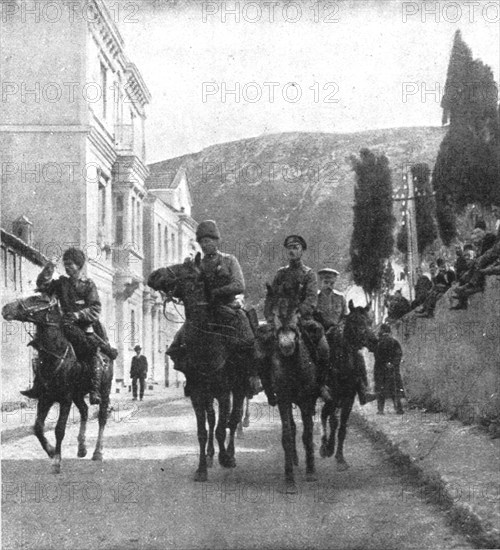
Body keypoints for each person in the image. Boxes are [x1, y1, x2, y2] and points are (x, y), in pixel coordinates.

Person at [167, 220, 260, 398]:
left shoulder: (229, 260)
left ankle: (251, 378)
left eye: (208, 241)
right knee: (178, 342)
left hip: (227, 307)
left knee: (248, 338)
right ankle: (191, 378)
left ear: (217, 241)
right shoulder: (196, 264)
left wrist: (216, 292)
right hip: (202, 311)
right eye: (202, 241)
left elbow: (239, 285)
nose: (205, 244)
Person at [21, 248, 117, 404]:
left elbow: (95, 308)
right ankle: (39, 385)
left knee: (91, 351)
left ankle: (94, 390)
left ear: (79, 265)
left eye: (70, 264)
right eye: (65, 264)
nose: (67, 268)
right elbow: (42, 285)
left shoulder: (88, 285)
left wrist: (79, 314)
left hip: (83, 327)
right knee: (44, 347)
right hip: (64, 324)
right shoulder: (61, 283)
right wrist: (50, 267)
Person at [263, 235, 331, 402]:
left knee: (323, 347)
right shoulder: (281, 273)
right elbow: (271, 297)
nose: (292, 250)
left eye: (296, 247)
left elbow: (311, 299)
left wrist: (299, 312)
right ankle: (267, 386)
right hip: (281, 319)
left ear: (302, 251)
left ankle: (321, 384)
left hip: (302, 319)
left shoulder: (308, 274)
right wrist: (271, 315)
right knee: (262, 344)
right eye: (290, 248)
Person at [315, 267, 374, 405]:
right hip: (320, 332)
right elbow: (312, 315)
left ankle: (363, 390)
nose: (328, 285)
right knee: (316, 354)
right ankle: (318, 387)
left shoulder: (340, 297)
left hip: (336, 332)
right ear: (320, 282)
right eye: (325, 282)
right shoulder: (315, 298)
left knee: (356, 354)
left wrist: (340, 327)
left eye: (331, 283)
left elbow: (344, 317)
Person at [373, 324, 404, 415]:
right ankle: (398, 409)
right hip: (392, 369)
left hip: (381, 370)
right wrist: (392, 363)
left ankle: (380, 410)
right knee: (395, 388)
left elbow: (377, 356)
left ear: (382, 331)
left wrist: (385, 363)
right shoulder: (394, 342)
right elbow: (398, 354)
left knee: (381, 389)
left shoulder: (378, 342)